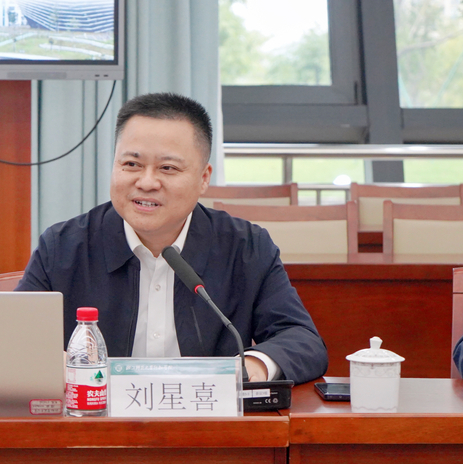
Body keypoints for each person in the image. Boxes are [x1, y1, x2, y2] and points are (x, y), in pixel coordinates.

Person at [16, 92, 328, 384]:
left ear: (203, 178)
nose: (147, 182)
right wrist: (57, 365)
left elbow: (302, 339)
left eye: (167, 168)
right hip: (95, 417)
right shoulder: (63, 246)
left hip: (206, 419)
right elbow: (14, 338)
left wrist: (248, 369)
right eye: (131, 164)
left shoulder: (245, 247)